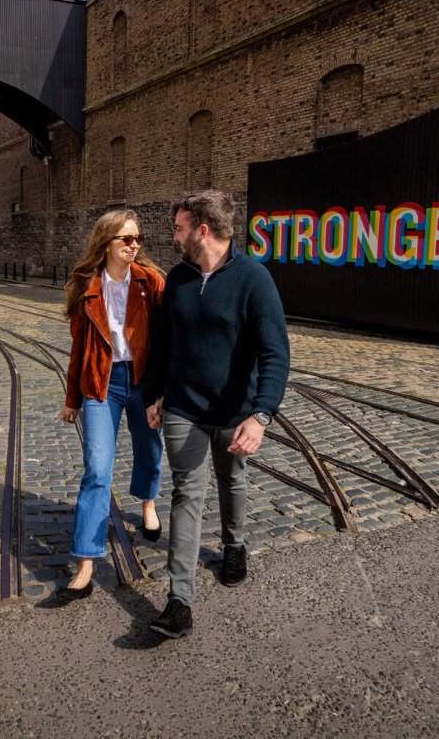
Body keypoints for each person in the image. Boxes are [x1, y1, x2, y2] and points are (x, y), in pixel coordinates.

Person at [143, 190, 290, 638]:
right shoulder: (179, 279)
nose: (174, 236)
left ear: (202, 230)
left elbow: (275, 354)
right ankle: (179, 601)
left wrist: (261, 415)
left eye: (179, 228)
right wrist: (155, 394)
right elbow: (162, 344)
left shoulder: (254, 279)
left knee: (232, 479)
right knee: (187, 494)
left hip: (234, 412)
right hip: (183, 408)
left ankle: (233, 545)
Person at [55, 209, 167, 602]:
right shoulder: (86, 286)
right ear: (107, 243)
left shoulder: (150, 282)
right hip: (101, 385)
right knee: (97, 469)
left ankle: (149, 503)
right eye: (126, 239)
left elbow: (167, 340)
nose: (134, 245)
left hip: (143, 382)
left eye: (137, 238)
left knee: (150, 449)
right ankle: (86, 564)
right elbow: (78, 349)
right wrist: (72, 399)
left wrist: (164, 389)